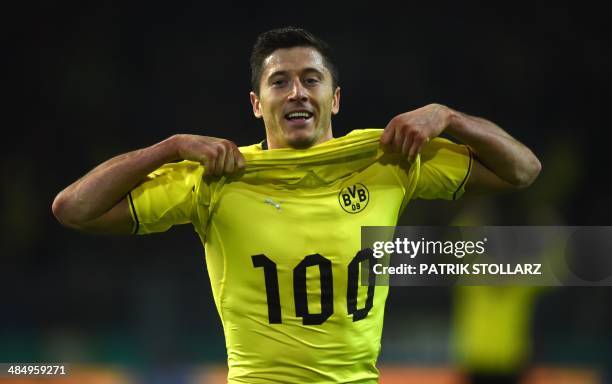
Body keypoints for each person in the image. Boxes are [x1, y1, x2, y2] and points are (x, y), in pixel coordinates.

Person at [52, 27, 541, 383]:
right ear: (256, 104)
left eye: (311, 79)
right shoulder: (216, 177)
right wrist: (169, 146)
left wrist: (449, 117)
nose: (297, 92)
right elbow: (74, 208)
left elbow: (523, 170)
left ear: (335, 99)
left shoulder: (389, 160)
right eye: (279, 82)